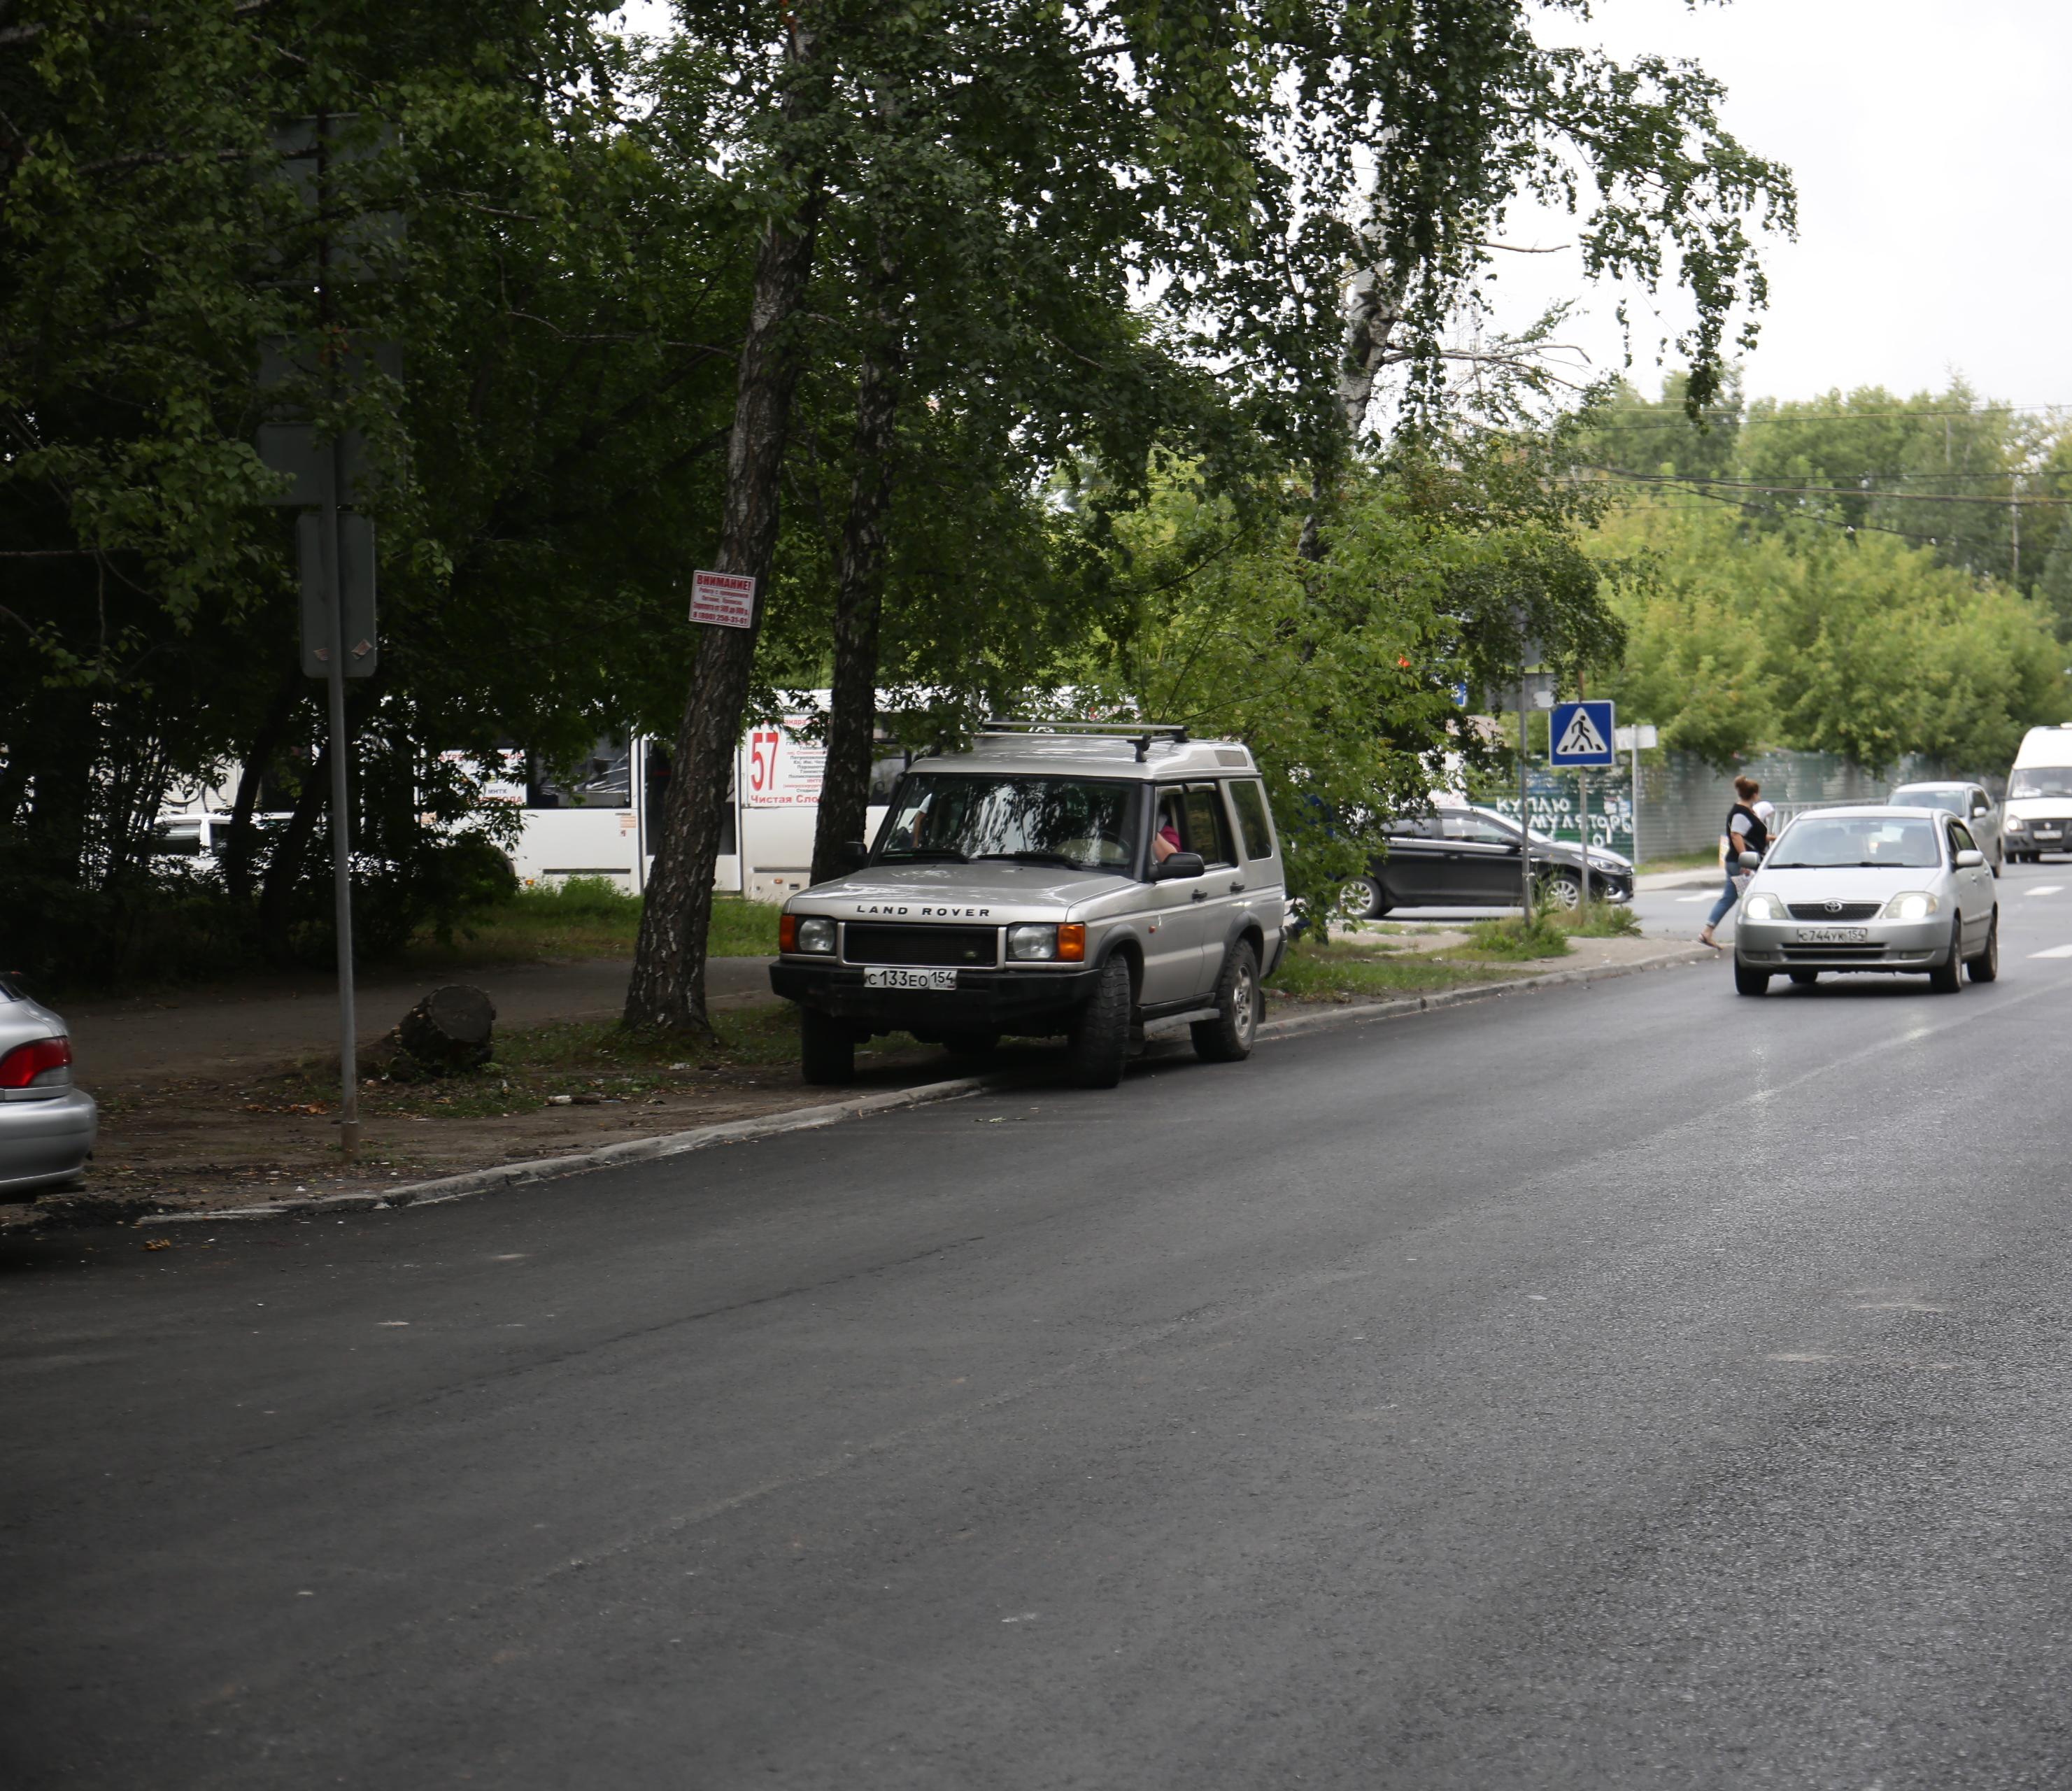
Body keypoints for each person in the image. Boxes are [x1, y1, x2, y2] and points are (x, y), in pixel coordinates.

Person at [1698, 776, 1769, 950]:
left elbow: (1754, 836)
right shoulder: (1740, 813)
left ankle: (1707, 932)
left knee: (1729, 898)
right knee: (1753, 899)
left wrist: (1778, 837)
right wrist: (1744, 858)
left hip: (1739, 861)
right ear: (1754, 794)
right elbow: (1736, 835)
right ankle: (1755, 939)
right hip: (1743, 863)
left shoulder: (1748, 812)